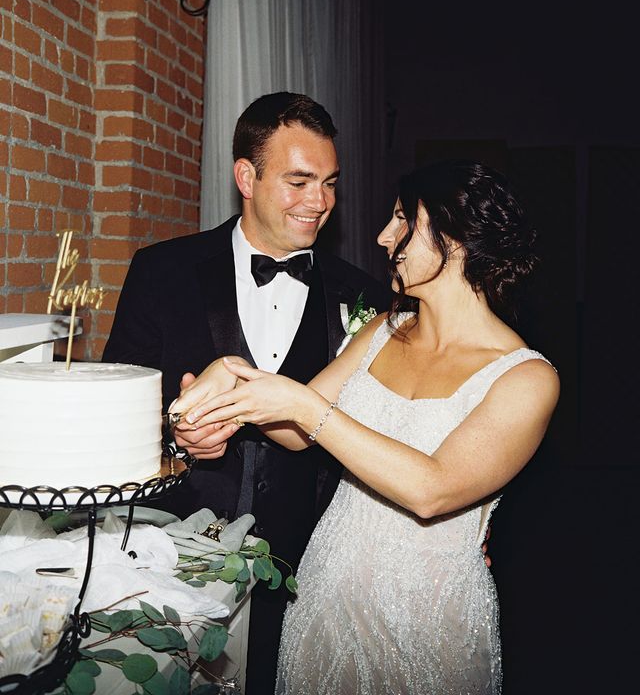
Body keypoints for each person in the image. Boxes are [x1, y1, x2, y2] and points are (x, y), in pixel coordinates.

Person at [168, 160, 560, 695]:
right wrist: (230, 383)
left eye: (402, 220)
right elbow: (295, 430)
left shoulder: (527, 378)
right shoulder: (383, 330)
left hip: (429, 615)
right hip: (329, 587)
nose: (382, 236)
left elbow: (432, 489)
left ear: (458, 240)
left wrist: (305, 408)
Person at [102, 92, 389, 695]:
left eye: (330, 183)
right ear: (246, 177)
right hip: (174, 553)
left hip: (311, 564)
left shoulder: (363, 295)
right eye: (299, 181)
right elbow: (115, 410)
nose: (321, 203)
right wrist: (176, 436)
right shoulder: (162, 270)